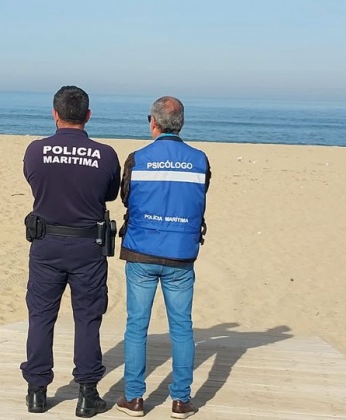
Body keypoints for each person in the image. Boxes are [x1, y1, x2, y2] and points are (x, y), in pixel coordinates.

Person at [21, 85, 121, 417]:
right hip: (87, 245)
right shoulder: (105, 154)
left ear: (55, 113)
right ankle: (87, 392)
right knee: (88, 318)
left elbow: (35, 183)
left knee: (40, 317)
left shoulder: (36, 151)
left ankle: (37, 391)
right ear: (88, 115)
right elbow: (108, 194)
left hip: (46, 243)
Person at [115, 96, 211, 419]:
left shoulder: (137, 158)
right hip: (181, 255)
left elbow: (125, 196)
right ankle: (181, 401)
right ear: (180, 124)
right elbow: (201, 196)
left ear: (152, 123)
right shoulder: (199, 160)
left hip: (142, 251)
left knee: (136, 326)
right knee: (182, 327)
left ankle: (134, 397)